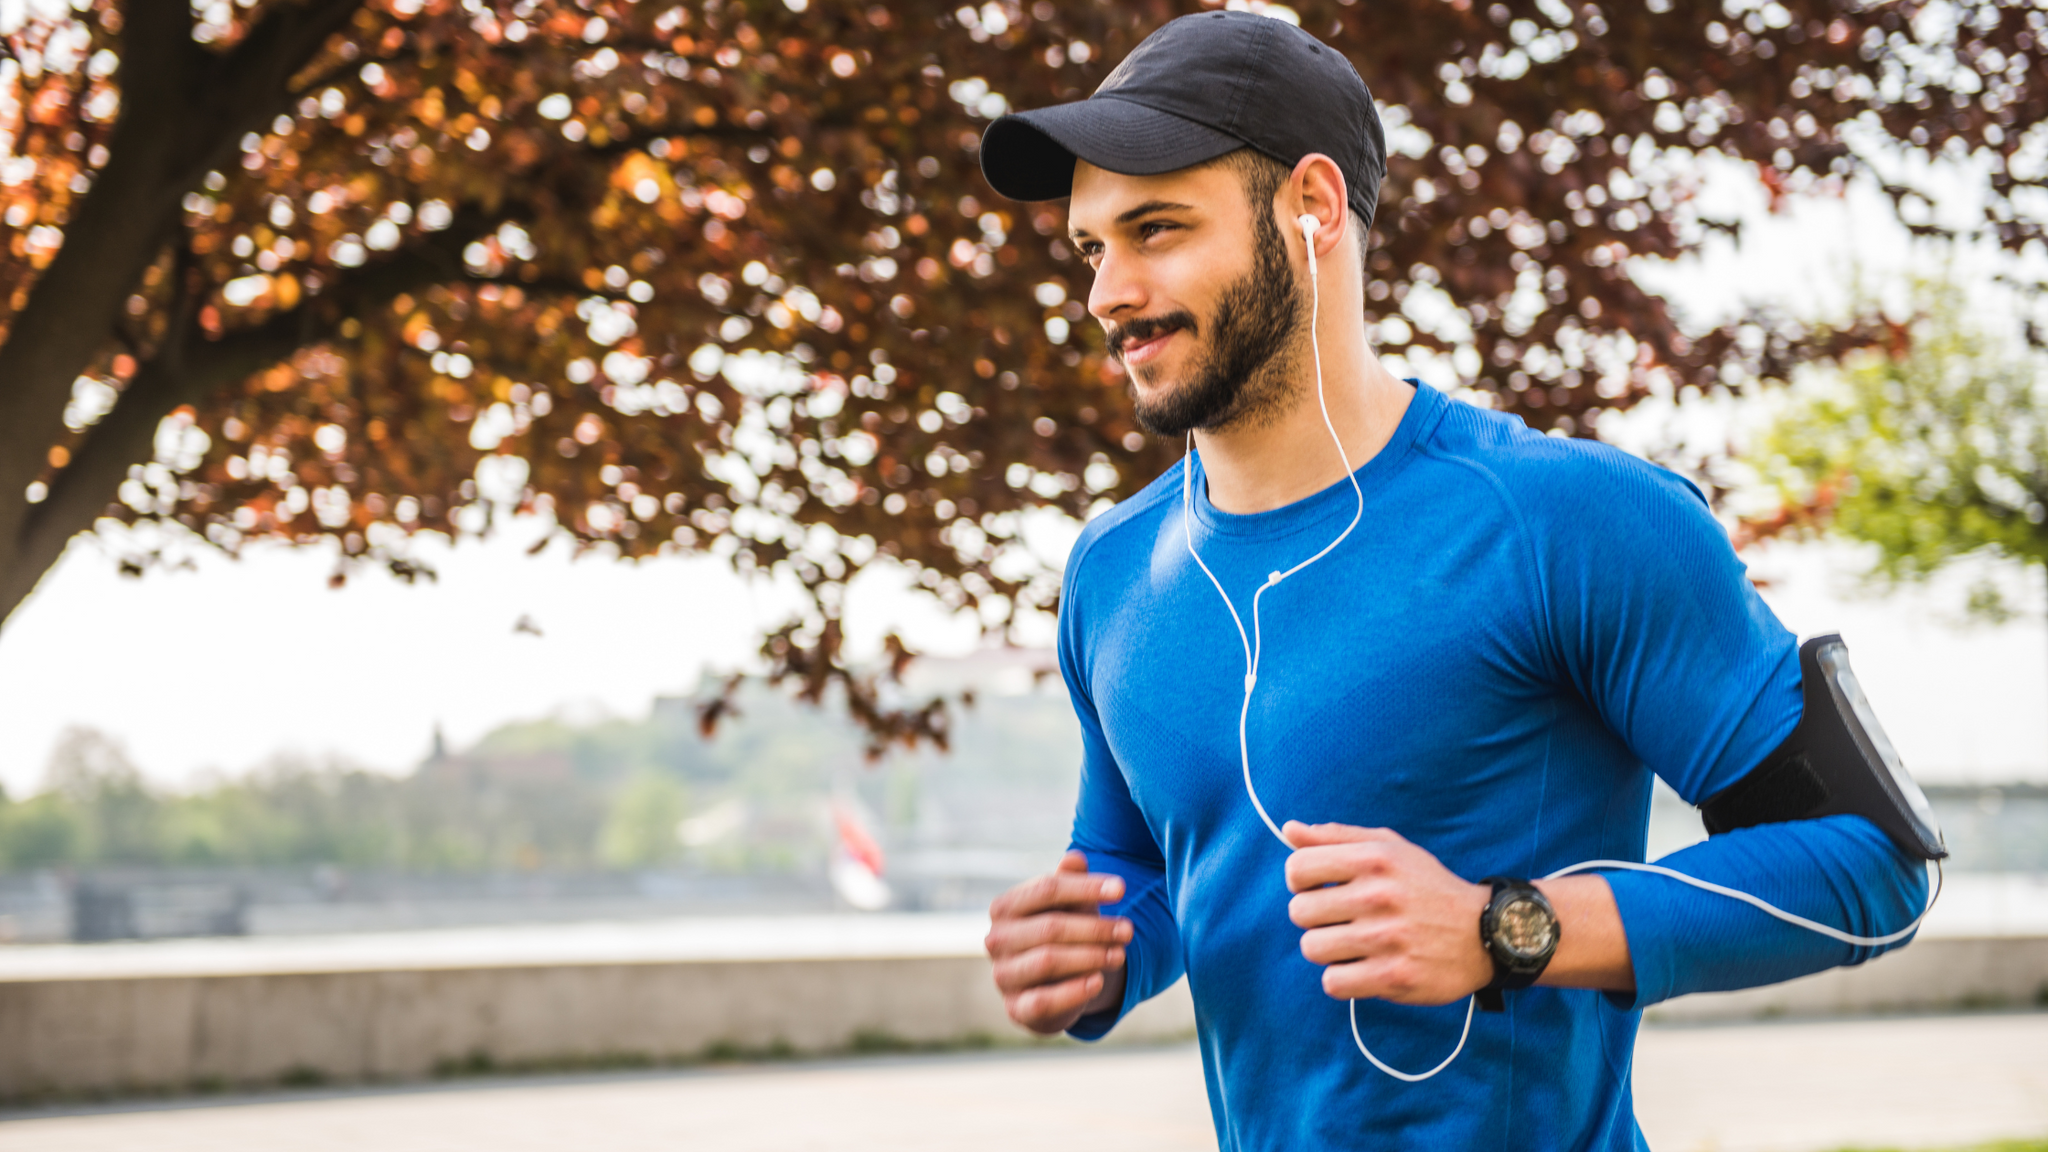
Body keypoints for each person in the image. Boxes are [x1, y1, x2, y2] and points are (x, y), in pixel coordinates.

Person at [973, 11, 1930, 1150]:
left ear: (1311, 208)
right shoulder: (1112, 572)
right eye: (1091, 247)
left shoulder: (1565, 520)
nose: (1106, 293)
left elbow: (1869, 865)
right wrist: (1091, 955)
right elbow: (1149, 871)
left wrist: (1504, 929)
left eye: (1157, 229)